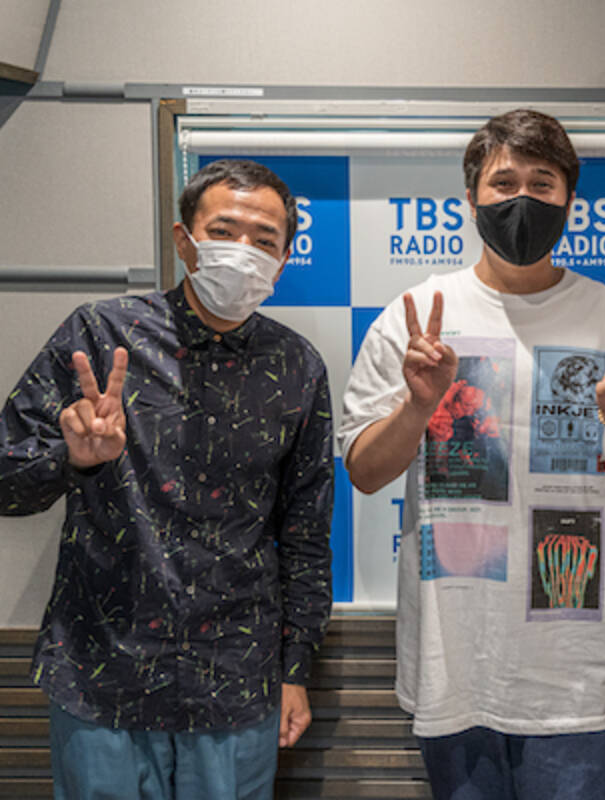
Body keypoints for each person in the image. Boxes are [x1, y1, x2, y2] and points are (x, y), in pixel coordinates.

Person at [339, 108, 605, 800]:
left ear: (569, 201)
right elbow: (365, 472)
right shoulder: (417, 316)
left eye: (542, 183)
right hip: (453, 665)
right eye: (503, 183)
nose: (522, 199)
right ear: (470, 198)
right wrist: (418, 405)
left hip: (574, 676)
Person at [0, 159, 335, 799]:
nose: (243, 250)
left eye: (264, 240)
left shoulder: (297, 366)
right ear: (185, 241)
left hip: (236, 681)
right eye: (224, 232)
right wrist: (72, 458)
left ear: (284, 260)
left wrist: (296, 669)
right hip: (102, 675)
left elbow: (305, 534)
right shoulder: (100, 336)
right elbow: (4, 480)